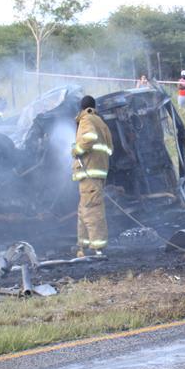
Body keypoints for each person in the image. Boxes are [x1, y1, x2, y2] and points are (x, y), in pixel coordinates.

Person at [73, 95, 114, 257]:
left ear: (82, 108)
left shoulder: (86, 119)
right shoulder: (101, 122)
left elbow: (89, 139)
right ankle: (82, 246)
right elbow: (110, 149)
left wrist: (77, 150)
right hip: (97, 171)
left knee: (92, 209)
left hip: (90, 172)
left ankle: (97, 248)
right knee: (84, 209)